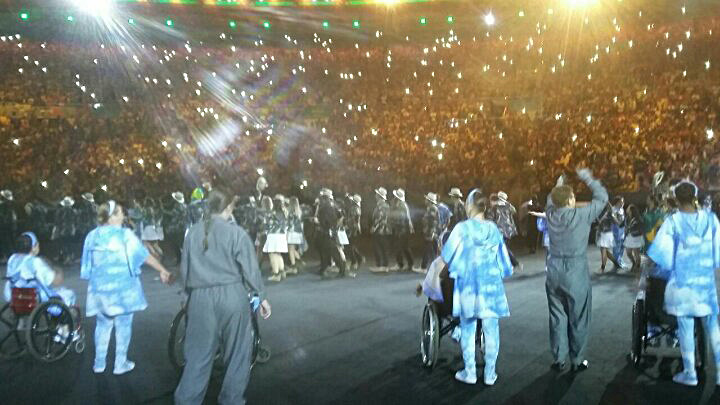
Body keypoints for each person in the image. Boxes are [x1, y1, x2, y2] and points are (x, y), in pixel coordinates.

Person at [175, 188, 271, 405]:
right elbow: (250, 269)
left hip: (200, 298)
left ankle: (186, 400)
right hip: (231, 296)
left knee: (197, 357)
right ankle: (231, 400)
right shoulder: (236, 233)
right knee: (237, 355)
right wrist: (261, 296)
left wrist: (186, 297)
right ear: (229, 207)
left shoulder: (193, 233)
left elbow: (185, 270)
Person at [81, 200, 172, 374]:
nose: (124, 215)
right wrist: (162, 270)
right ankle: (119, 363)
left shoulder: (92, 236)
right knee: (123, 325)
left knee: (102, 325)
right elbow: (143, 256)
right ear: (113, 216)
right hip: (123, 292)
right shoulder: (125, 235)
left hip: (100, 290)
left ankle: (99, 363)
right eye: (121, 212)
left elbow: (86, 266)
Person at [647, 181, 720, 386]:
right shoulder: (711, 219)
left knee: (686, 327)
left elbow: (659, 253)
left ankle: (690, 374)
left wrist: (644, 274)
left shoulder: (673, 222)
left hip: (683, 286)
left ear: (676, 199)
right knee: (713, 326)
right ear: (695, 196)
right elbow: (718, 253)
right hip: (705, 285)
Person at [437, 189, 513, 385]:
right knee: (491, 330)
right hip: (491, 288)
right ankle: (489, 374)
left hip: (468, 287)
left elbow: (446, 256)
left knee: (468, 329)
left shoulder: (462, 229)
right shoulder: (494, 229)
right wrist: (503, 272)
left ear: (469, 206)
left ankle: (469, 372)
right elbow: (504, 262)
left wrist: (441, 274)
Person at [545, 168, 608, 372]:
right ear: (571, 199)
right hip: (575, 269)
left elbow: (550, 199)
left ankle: (558, 358)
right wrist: (588, 177)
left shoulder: (551, 213)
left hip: (553, 268)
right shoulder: (581, 215)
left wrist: (558, 183)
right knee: (579, 315)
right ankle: (577, 359)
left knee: (557, 316)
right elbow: (602, 198)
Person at [4, 232, 76, 307]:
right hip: (35, 298)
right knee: (69, 293)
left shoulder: (12, 259)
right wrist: (58, 270)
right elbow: (55, 281)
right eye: (37, 244)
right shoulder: (35, 261)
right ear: (34, 246)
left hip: (13, 296)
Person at [317, 190, 355, 278]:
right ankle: (324, 268)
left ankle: (341, 269)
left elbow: (324, 221)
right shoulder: (333, 206)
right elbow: (339, 217)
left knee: (332, 251)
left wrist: (320, 224)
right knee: (328, 251)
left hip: (327, 231)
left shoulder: (324, 207)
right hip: (332, 231)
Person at [487, 191, 520, 270]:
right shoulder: (508, 206)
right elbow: (514, 212)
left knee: (503, 247)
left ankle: (514, 263)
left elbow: (489, 219)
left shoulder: (494, 208)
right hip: (509, 230)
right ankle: (510, 264)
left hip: (499, 230)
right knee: (504, 247)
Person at [262, 196, 288, 282]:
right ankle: (282, 271)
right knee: (278, 254)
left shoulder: (271, 214)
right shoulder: (284, 213)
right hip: (282, 236)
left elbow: (266, 225)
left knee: (272, 254)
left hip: (273, 235)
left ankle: (276, 274)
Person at [389, 188, 414, 272]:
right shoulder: (400, 204)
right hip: (402, 229)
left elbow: (402, 218)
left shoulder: (401, 205)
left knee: (399, 247)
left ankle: (400, 264)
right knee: (405, 247)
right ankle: (410, 264)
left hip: (402, 229)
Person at [370, 187, 391, 273]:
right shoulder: (382, 205)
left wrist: (374, 227)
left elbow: (380, 219)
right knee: (381, 247)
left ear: (379, 196)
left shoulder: (382, 206)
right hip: (382, 230)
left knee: (380, 247)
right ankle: (383, 265)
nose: (375, 195)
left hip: (380, 230)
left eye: (377, 194)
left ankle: (382, 265)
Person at [596, 204, 621, 273]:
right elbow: (600, 223)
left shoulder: (610, 215)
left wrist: (614, 217)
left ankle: (602, 268)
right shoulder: (604, 214)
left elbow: (617, 222)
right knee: (605, 252)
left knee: (603, 251)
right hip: (603, 234)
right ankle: (616, 264)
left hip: (607, 234)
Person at [419, 192, 440, 273]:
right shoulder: (431, 208)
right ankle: (438, 267)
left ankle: (423, 267)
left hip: (431, 233)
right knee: (434, 250)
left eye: (426, 199)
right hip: (431, 233)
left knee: (427, 250)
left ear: (429, 201)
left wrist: (431, 233)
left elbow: (432, 222)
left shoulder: (432, 209)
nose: (425, 200)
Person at [52, 196, 77, 265]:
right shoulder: (74, 211)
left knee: (62, 243)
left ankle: (63, 257)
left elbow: (57, 221)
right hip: (71, 230)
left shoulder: (60, 211)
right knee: (69, 243)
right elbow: (76, 221)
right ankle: (69, 257)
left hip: (62, 229)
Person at [286, 196, 306, 274]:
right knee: (292, 249)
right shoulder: (299, 211)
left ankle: (293, 266)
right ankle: (299, 261)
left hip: (291, 232)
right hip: (298, 233)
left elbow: (289, 224)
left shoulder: (290, 211)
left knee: (290, 249)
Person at [345, 194, 363, 271]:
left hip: (352, 229)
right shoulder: (358, 208)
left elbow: (352, 220)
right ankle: (359, 258)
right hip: (356, 229)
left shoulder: (353, 208)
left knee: (350, 246)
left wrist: (346, 225)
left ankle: (354, 261)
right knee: (352, 246)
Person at [624, 204, 644, 272]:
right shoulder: (627, 218)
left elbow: (640, 228)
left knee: (636, 253)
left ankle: (637, 266)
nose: (627, 209)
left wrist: (632, 229)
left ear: (631, 210)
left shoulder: (637, 218)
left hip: (636, 237)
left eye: (628, 208)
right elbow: (624, 226)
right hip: (629, 237)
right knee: (628, 252)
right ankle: (634, 263)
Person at [0, 190, 17, 263]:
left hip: (7, 227)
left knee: (7, 242)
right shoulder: (5, 206)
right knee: (7, 242)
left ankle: (8, 256)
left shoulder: (7, 206)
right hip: (6, 227)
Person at [610, 197, 626, 268]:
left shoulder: (622, 209)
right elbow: (613, 217)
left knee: (622, 245)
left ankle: (620, 260)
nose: (622, 203)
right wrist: (618, 222)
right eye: (621, 202)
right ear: (617, 202)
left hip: (622, 229)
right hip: (616, 230)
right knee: (617, 246)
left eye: (623, 202)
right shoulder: (614, 209)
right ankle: (617, 262)